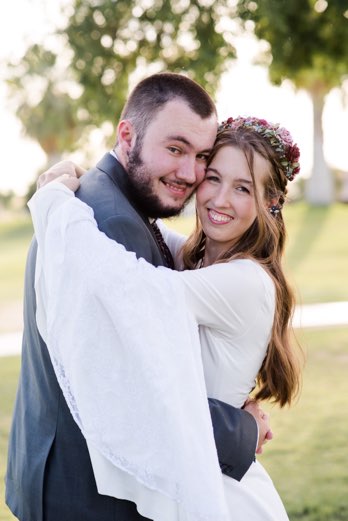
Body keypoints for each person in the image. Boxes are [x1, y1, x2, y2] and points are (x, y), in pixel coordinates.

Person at [6, 73, 266, 521]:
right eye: (175, 149)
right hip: (85, 494)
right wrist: (239, 430)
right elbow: (132, 382)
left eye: (201, 156)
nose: (189, 173)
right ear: (127, 135)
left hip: (53, 471)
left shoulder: (103, 202)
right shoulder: (112, 223)